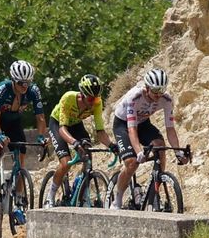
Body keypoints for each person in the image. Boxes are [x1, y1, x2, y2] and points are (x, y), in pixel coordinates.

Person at [111, 67, 190, 209]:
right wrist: (139, 151)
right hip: (123, 124)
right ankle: (117, 199)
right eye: (155, 91)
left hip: (143, 123)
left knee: (160, 146)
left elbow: (170, 129)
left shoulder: (166, 100)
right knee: (132, 162)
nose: (158, 95)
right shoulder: (134, 97)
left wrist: (178, 152)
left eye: (161, 90)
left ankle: (155, 190)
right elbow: (132, 129)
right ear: (147, 87)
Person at [0, 60, 50, 202]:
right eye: (21, 83)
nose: (25, 86)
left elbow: (40, 117)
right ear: (13, 80)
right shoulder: (3, 88)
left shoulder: (33, 91)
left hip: (14, 122)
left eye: (28, 82)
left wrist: (41, 136)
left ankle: (18, 199)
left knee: (20, 160)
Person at [48, 73, 115, 197]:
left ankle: (80, 189)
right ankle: (50, 195)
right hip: (58, 124)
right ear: (82, 95)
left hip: (76, 124)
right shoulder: (68, 98)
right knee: (65, 162)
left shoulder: (97, 103)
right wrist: (74, 142)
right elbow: (63, 129)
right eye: (90, 99)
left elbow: (100, 131)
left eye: (96, 98)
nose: (93, 102)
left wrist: (111, 145)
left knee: (87, 156)